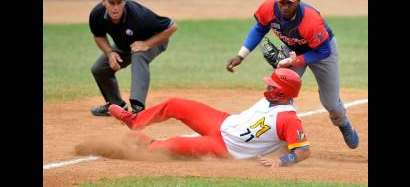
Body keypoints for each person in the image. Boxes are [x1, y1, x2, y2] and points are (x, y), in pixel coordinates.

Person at [225, 0, 359, 149]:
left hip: (322, 52)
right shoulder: (268, 8)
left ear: (298, 1)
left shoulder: (310, 20)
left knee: (331, 103)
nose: (285, 7)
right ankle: (276, 137)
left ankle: (343, 123)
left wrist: (294, 61)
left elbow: (323, 51)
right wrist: (241, 55)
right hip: (293, 49)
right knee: (279, 90)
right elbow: (259, 28)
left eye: (289, 3)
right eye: (281, 2)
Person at [108, 68, 311, 167]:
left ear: (283, 93)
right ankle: (134, 121)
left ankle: (149, 144)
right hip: (222, 120)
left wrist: (281, 161)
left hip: (224, 147)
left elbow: (303, 151)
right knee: (175, 103)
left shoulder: (289, 119)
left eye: (272, 86)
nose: (267, 87)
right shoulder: (274, 100)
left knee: (167, 147)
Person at [88, 0, 177, 116]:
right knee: (99, 69)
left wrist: (147, 44)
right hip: (124, 44)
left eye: (119, 2)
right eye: (112, 3)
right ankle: (116, 105)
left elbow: (172, 26)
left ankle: (138, 109)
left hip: (155, 40)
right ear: (103, 1)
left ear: (125, 2)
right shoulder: (97, 15)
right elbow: (99, 36)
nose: (115, 7)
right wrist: (110, 52)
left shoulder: (139, 15)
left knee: (139, 54)